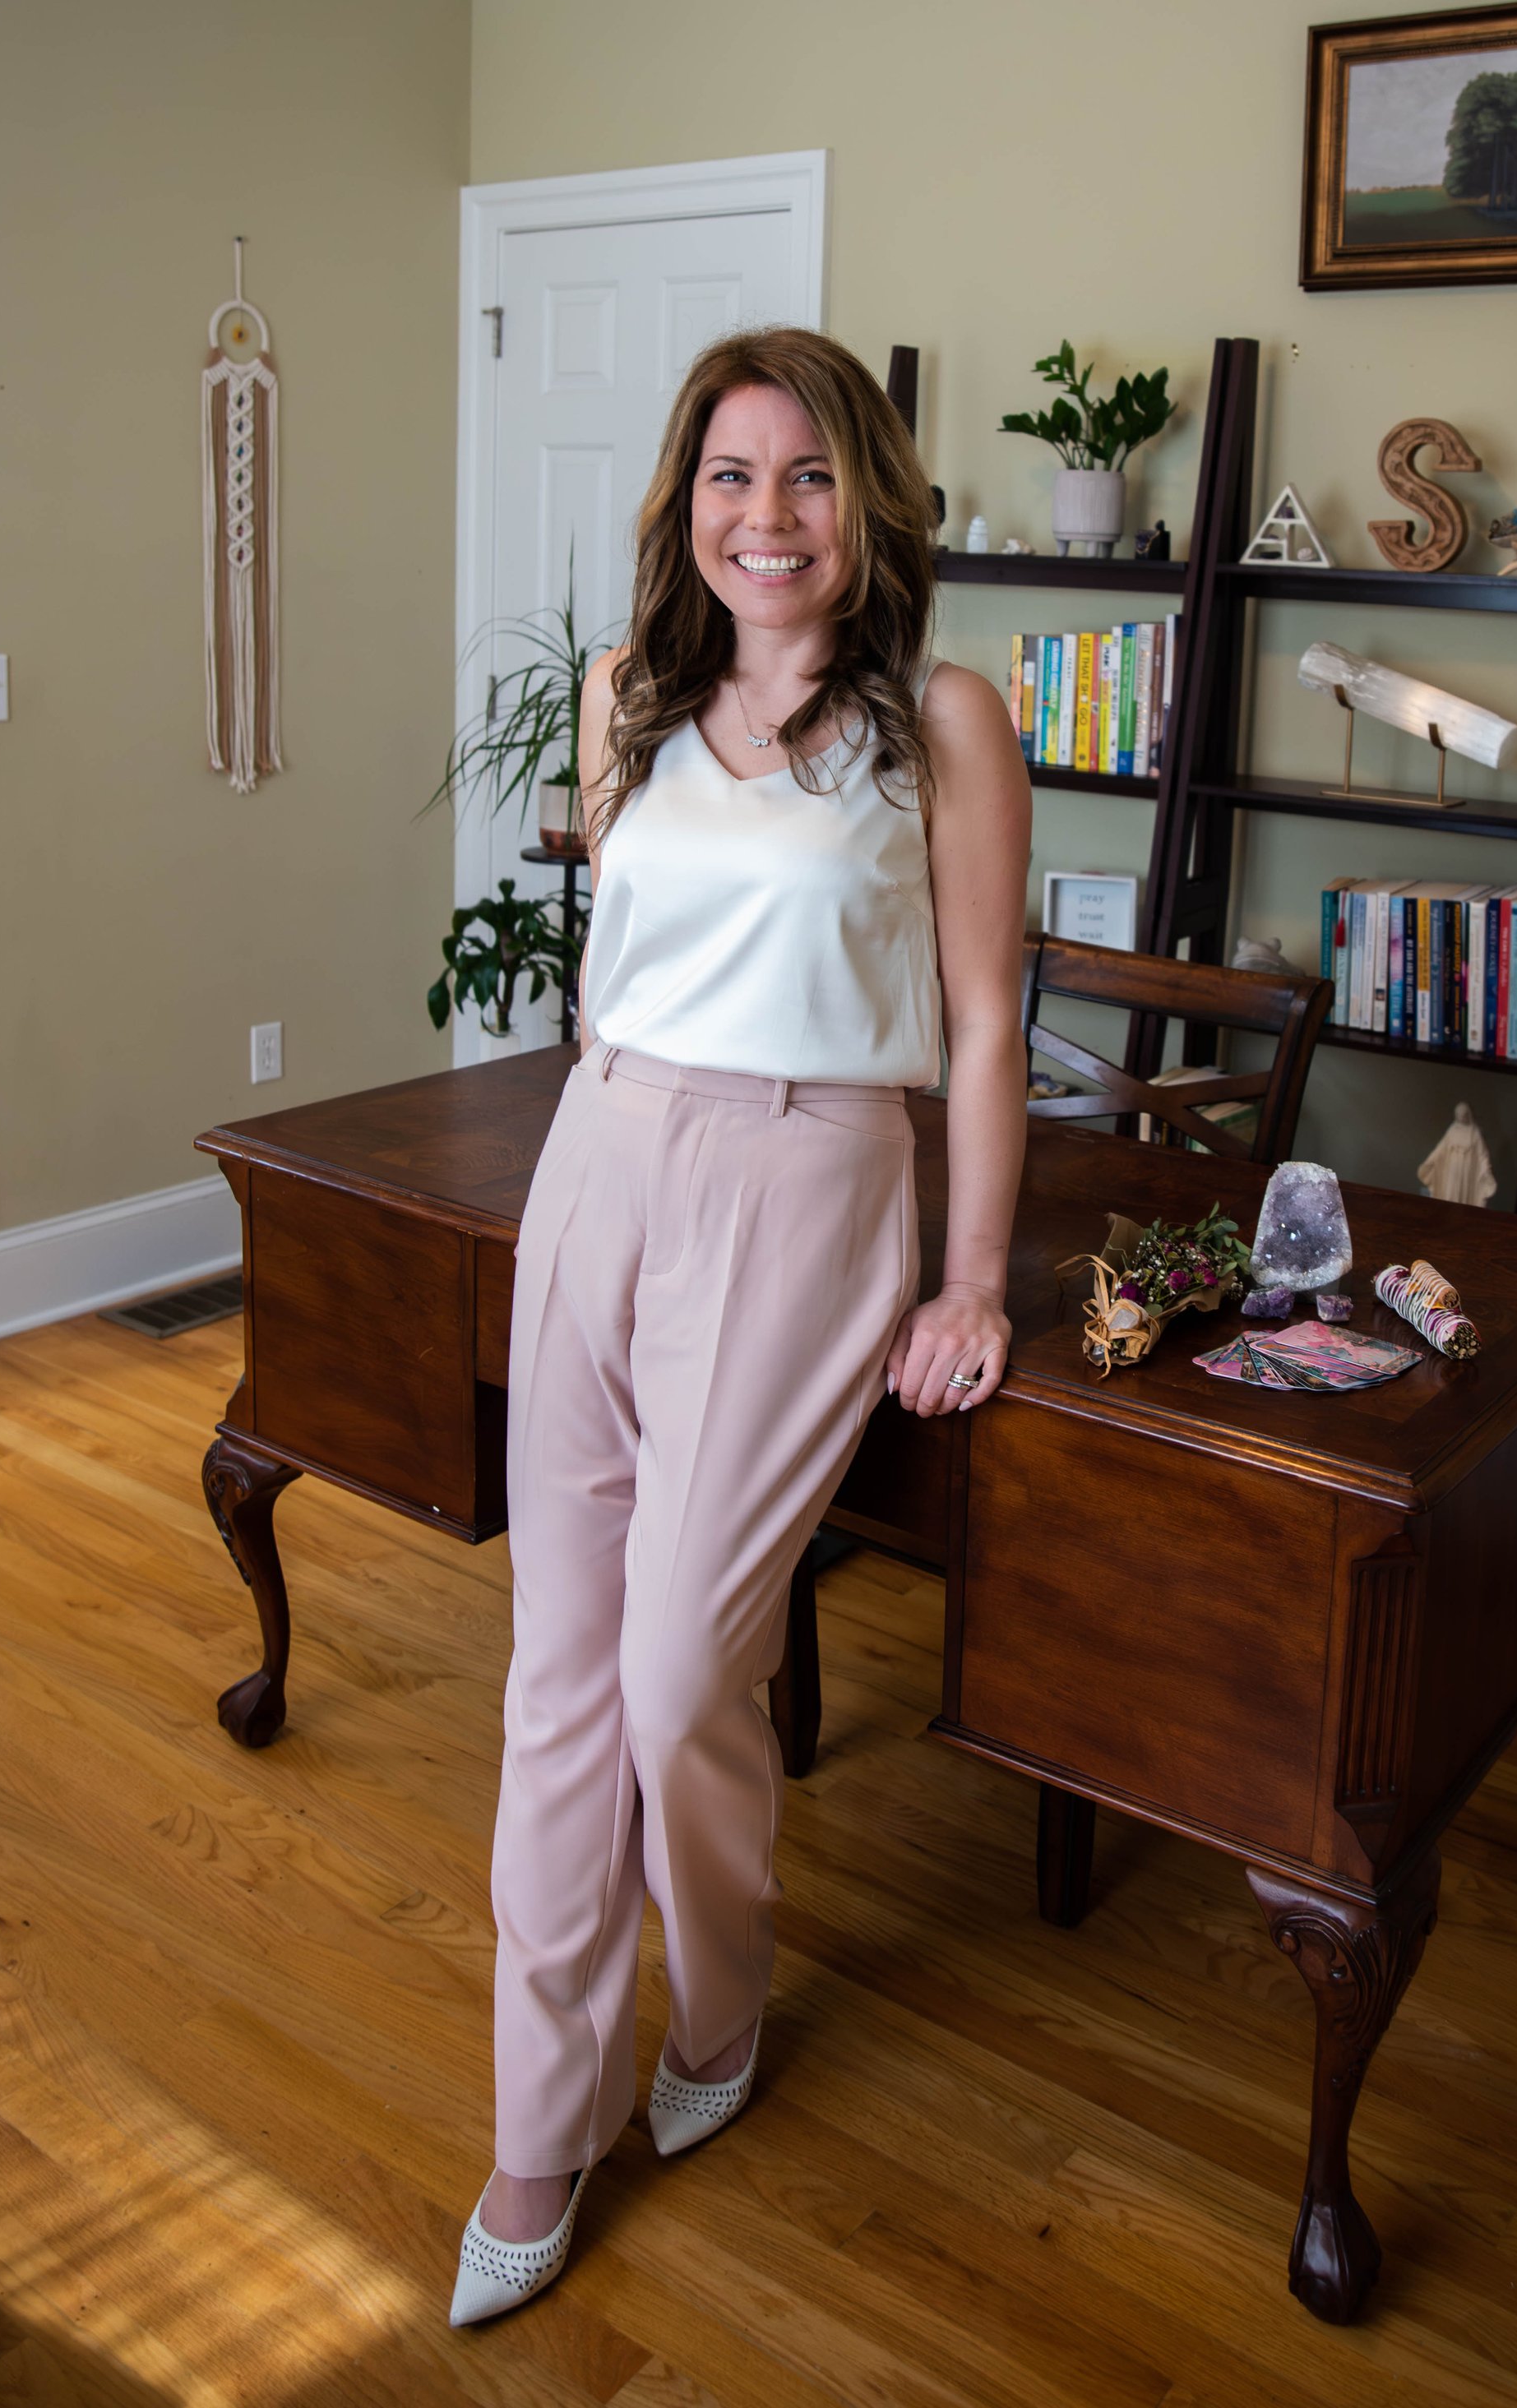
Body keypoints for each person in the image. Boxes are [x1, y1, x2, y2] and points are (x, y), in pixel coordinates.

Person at [452, 327, 1032, 2325]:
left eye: (802, 478)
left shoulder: (941, 721)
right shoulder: (628, 698)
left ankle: (719, 2005)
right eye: (727, 475)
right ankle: (540, 2124)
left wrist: (970, 1276)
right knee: (557, 1676)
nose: (762, 516)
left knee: (687, 1666)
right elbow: (622, 965)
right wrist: (600, 1158)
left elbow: (978, 1026)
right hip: (601, 1159)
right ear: (680, 503)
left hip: (807, 1181)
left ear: (865, 501)